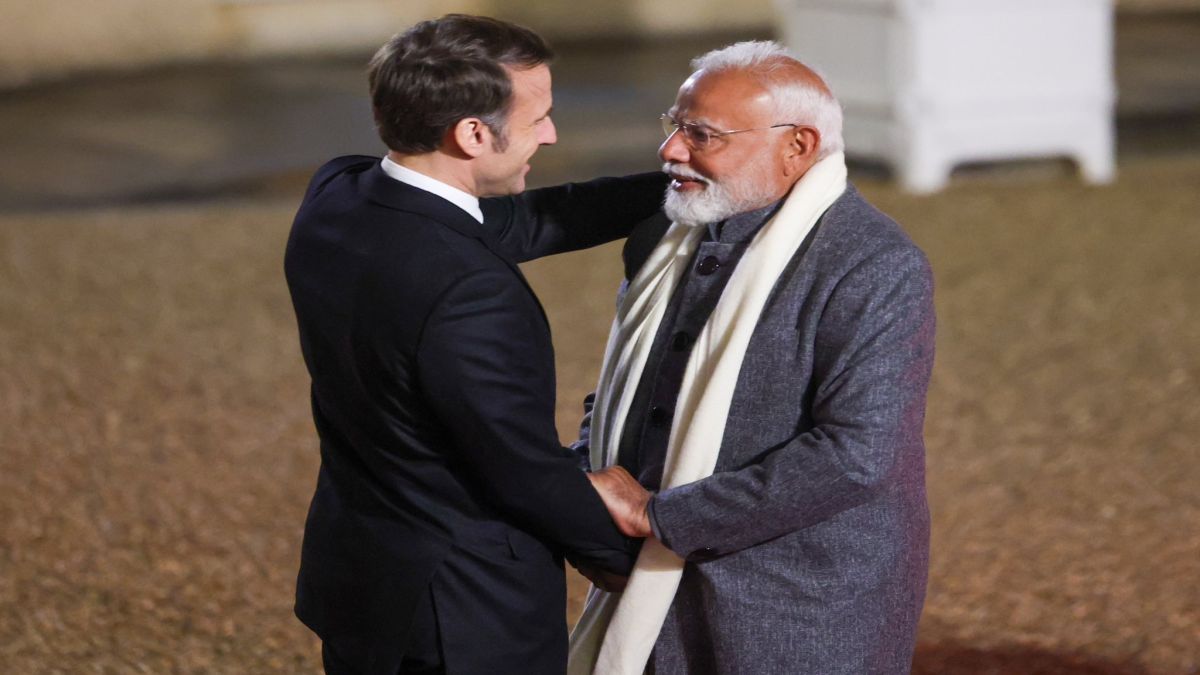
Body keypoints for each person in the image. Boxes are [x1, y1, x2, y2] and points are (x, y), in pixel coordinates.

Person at [283, 15, 665, 675]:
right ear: (472, 134)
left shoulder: (338, 194)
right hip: (463, 619)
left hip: (361, 582)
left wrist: (679, 187)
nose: (551, 133)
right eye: (538, 118)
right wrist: (635, 559)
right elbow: (522, 469)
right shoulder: (470, 292)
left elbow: (522, 220)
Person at [571, 41, 936, 674]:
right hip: (652, 586)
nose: (671, 152)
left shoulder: (874, 265)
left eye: (702, 135)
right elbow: (625, 386)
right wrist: (586, 479)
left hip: (794, 607)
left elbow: (856, 456)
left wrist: (657, 515)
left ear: (797, 146)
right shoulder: (666, 235)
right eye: (675, 126)